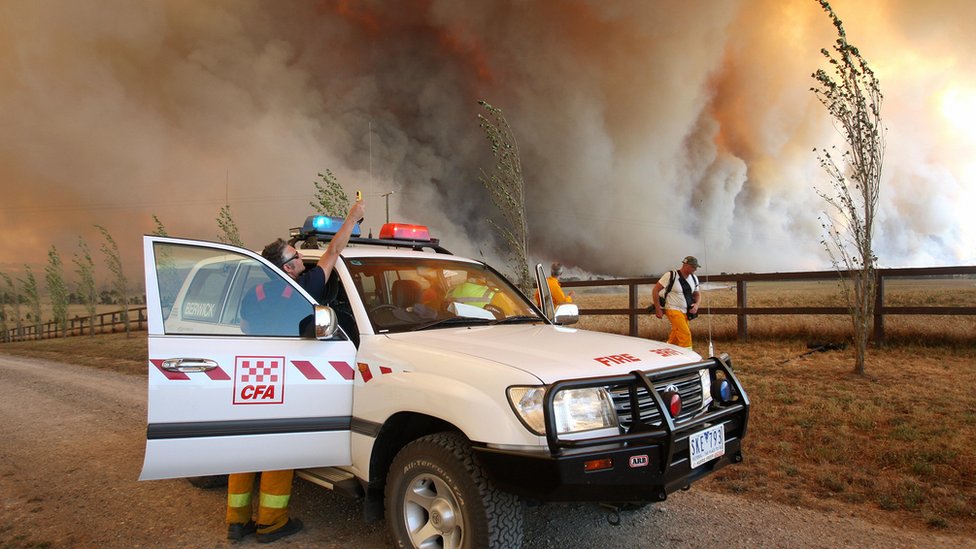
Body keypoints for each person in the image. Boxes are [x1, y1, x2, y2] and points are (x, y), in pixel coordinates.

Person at [227, 198, 365, 543]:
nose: (301, 258)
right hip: (285, 377)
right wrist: (352, 217)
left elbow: (244, 326)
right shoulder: (303, 289)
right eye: (296, 255)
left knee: (244, 449)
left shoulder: (254, 293)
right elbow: (333, 253)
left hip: (252, 374)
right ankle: (271, 524)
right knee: (278, 450)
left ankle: (236, 522)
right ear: (286, 267)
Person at [652, 256, 701, 350]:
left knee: (676, 334)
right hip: (672, 309)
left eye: (696, 267)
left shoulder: (694, 278)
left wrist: (696, 305)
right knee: (685, 334)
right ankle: (688, 359)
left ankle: (667, 351)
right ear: (685, 265)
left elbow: (697, 294)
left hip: (686, 312)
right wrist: (658, 309)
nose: (695, 269)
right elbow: (655, 290)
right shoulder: (671, 275)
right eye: (693, 267)